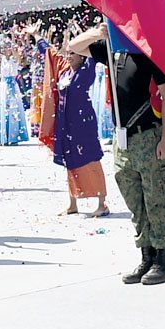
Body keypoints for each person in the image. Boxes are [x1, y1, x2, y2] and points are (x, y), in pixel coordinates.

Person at [80, 26, 165, 287]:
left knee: (157, 199)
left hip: (148, 135)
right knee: (135, 201)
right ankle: (146, 255)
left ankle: (163, 260)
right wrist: (98, 33)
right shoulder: (113, 51)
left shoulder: (150, 52)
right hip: (123, 139)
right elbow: (75, 47)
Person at [47, 29, 109, 216]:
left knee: (91, 158)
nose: (69, 56)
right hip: (66, 123)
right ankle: (73, 203)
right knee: (70, 160)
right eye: (68, 53)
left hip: (83, 123)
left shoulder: (87, 68)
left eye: (73, 53)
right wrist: (37, 37)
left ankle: (102, 203)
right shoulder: (65, 72)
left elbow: (90, 49)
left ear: (82, 55)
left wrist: (97, 33)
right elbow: (51, 54)